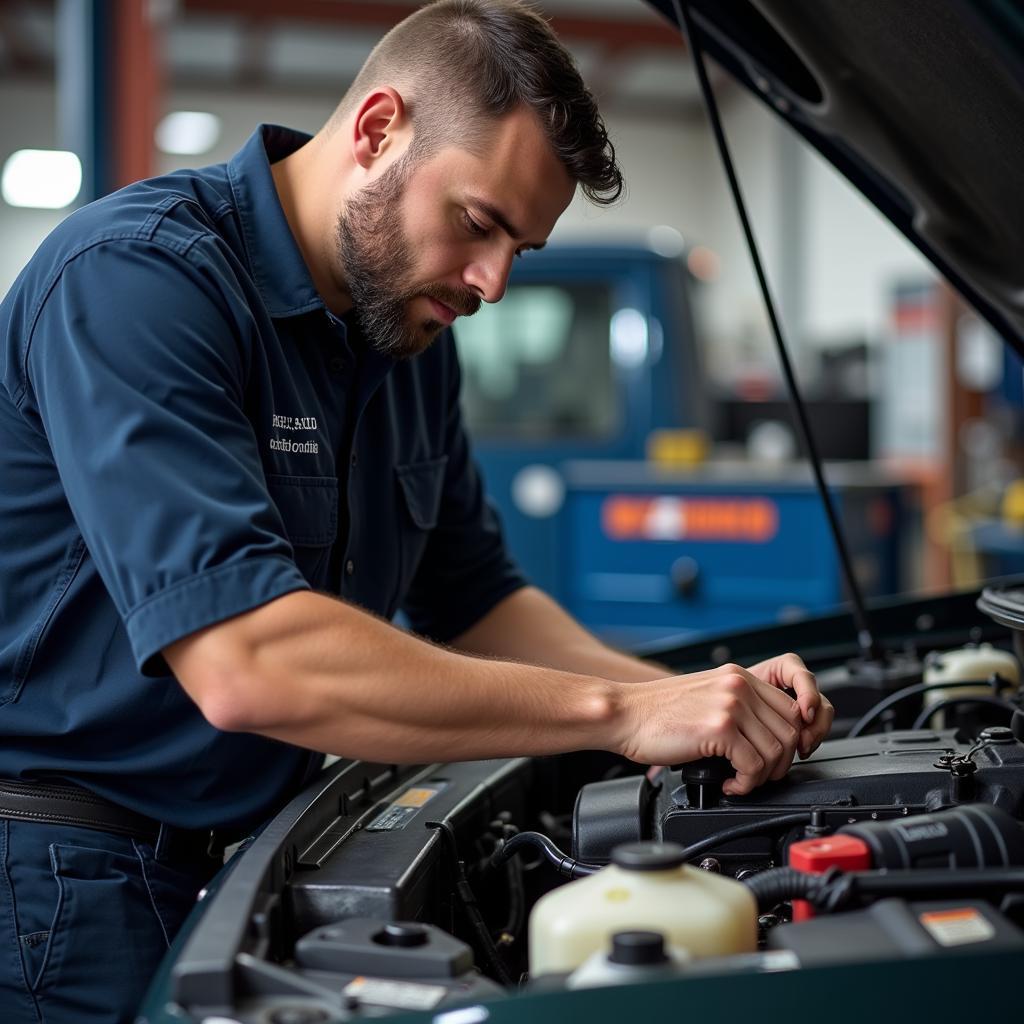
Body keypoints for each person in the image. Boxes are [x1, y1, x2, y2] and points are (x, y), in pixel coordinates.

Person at [0, 1, 834, 1020]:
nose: (489, 281)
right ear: (376, 129)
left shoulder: (403, 345)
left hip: (258, 860)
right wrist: (618, 714)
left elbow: (475, 595)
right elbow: (245, 662)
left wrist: (697, 705)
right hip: (68, 884)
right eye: (479, 224)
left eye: (519, 250)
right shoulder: (137, 283)